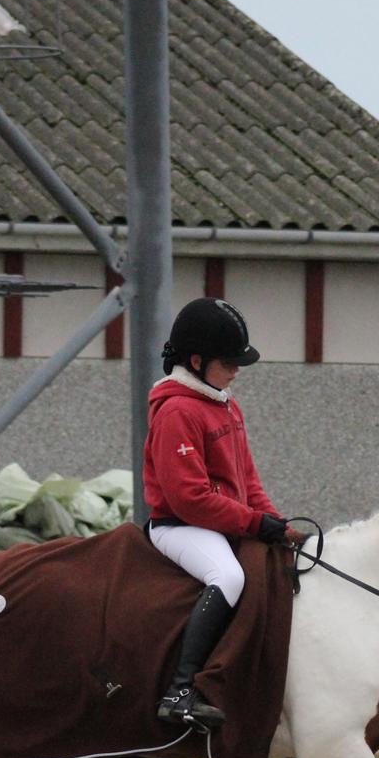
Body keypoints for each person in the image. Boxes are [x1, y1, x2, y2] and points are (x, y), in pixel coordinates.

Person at [143, 296, 289, 730]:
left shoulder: (224, 402)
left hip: (219, 523)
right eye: (228, 362)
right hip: (179, 527)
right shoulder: (176, 411)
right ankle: (180, 690)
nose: (236, 369)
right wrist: (252, 523)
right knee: (229, 577)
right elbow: (188, 497)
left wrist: (275, 523)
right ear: (196, 360)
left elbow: (247, 478)